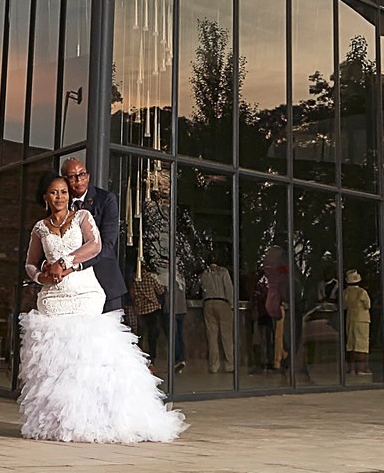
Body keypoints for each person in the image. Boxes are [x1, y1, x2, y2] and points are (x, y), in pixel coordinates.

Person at [19, 174, 185, 443]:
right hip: (52, 299)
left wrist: (67, 262)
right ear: (45, 197)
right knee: (57, 363)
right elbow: (30, 263)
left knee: (88, 359)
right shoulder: (40, 228)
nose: (59, 196)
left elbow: (95, 246)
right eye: (53, 192)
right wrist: (42, 277)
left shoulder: (83, 217)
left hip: (84, 293)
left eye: (63, 192)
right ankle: (60, 421)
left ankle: (96, 419)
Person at [61, 157, 127, 314]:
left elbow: (108, 244)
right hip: (71, 286)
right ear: (64, 179)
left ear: (88, 176)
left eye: (82, 174)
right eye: (72, 176)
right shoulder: (60, 202)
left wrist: (76, 265)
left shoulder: (106, 199)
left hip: (104, 280)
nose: (79, 180)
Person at [200, 256, 234, 374]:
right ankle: (230, 365)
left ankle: (214, 366)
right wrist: (232, 304)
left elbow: (201, 289)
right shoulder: (223, 271)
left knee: (212, 337)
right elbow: (229, 288)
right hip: (222, 302)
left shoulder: (204, 274)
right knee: (226, 336)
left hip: (208, 303)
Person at [344, 269, 372, 376]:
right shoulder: (362, 292)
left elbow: (344, 305)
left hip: (350, 319)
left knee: (351, 344)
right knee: (362, 344)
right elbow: (367, 305)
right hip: (362, 319)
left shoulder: (346, 292)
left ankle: (351, 368)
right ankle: (361, 368)